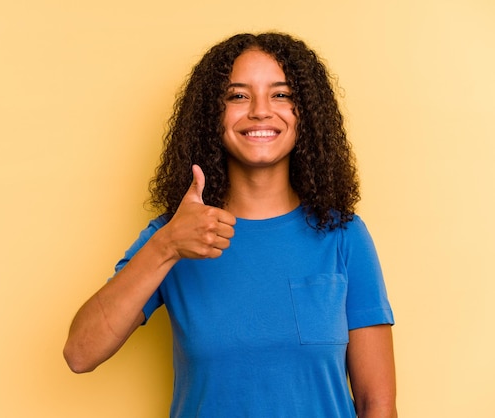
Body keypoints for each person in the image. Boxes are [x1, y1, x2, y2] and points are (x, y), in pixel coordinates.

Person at [63, 32, 397, 418]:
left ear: (305, 113)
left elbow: (378, 404)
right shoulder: (175, 236)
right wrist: (166, 246)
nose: (259, 111)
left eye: (281, 95)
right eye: (238, 96)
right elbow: (80, 354)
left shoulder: (343, 236)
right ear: (212, 115)